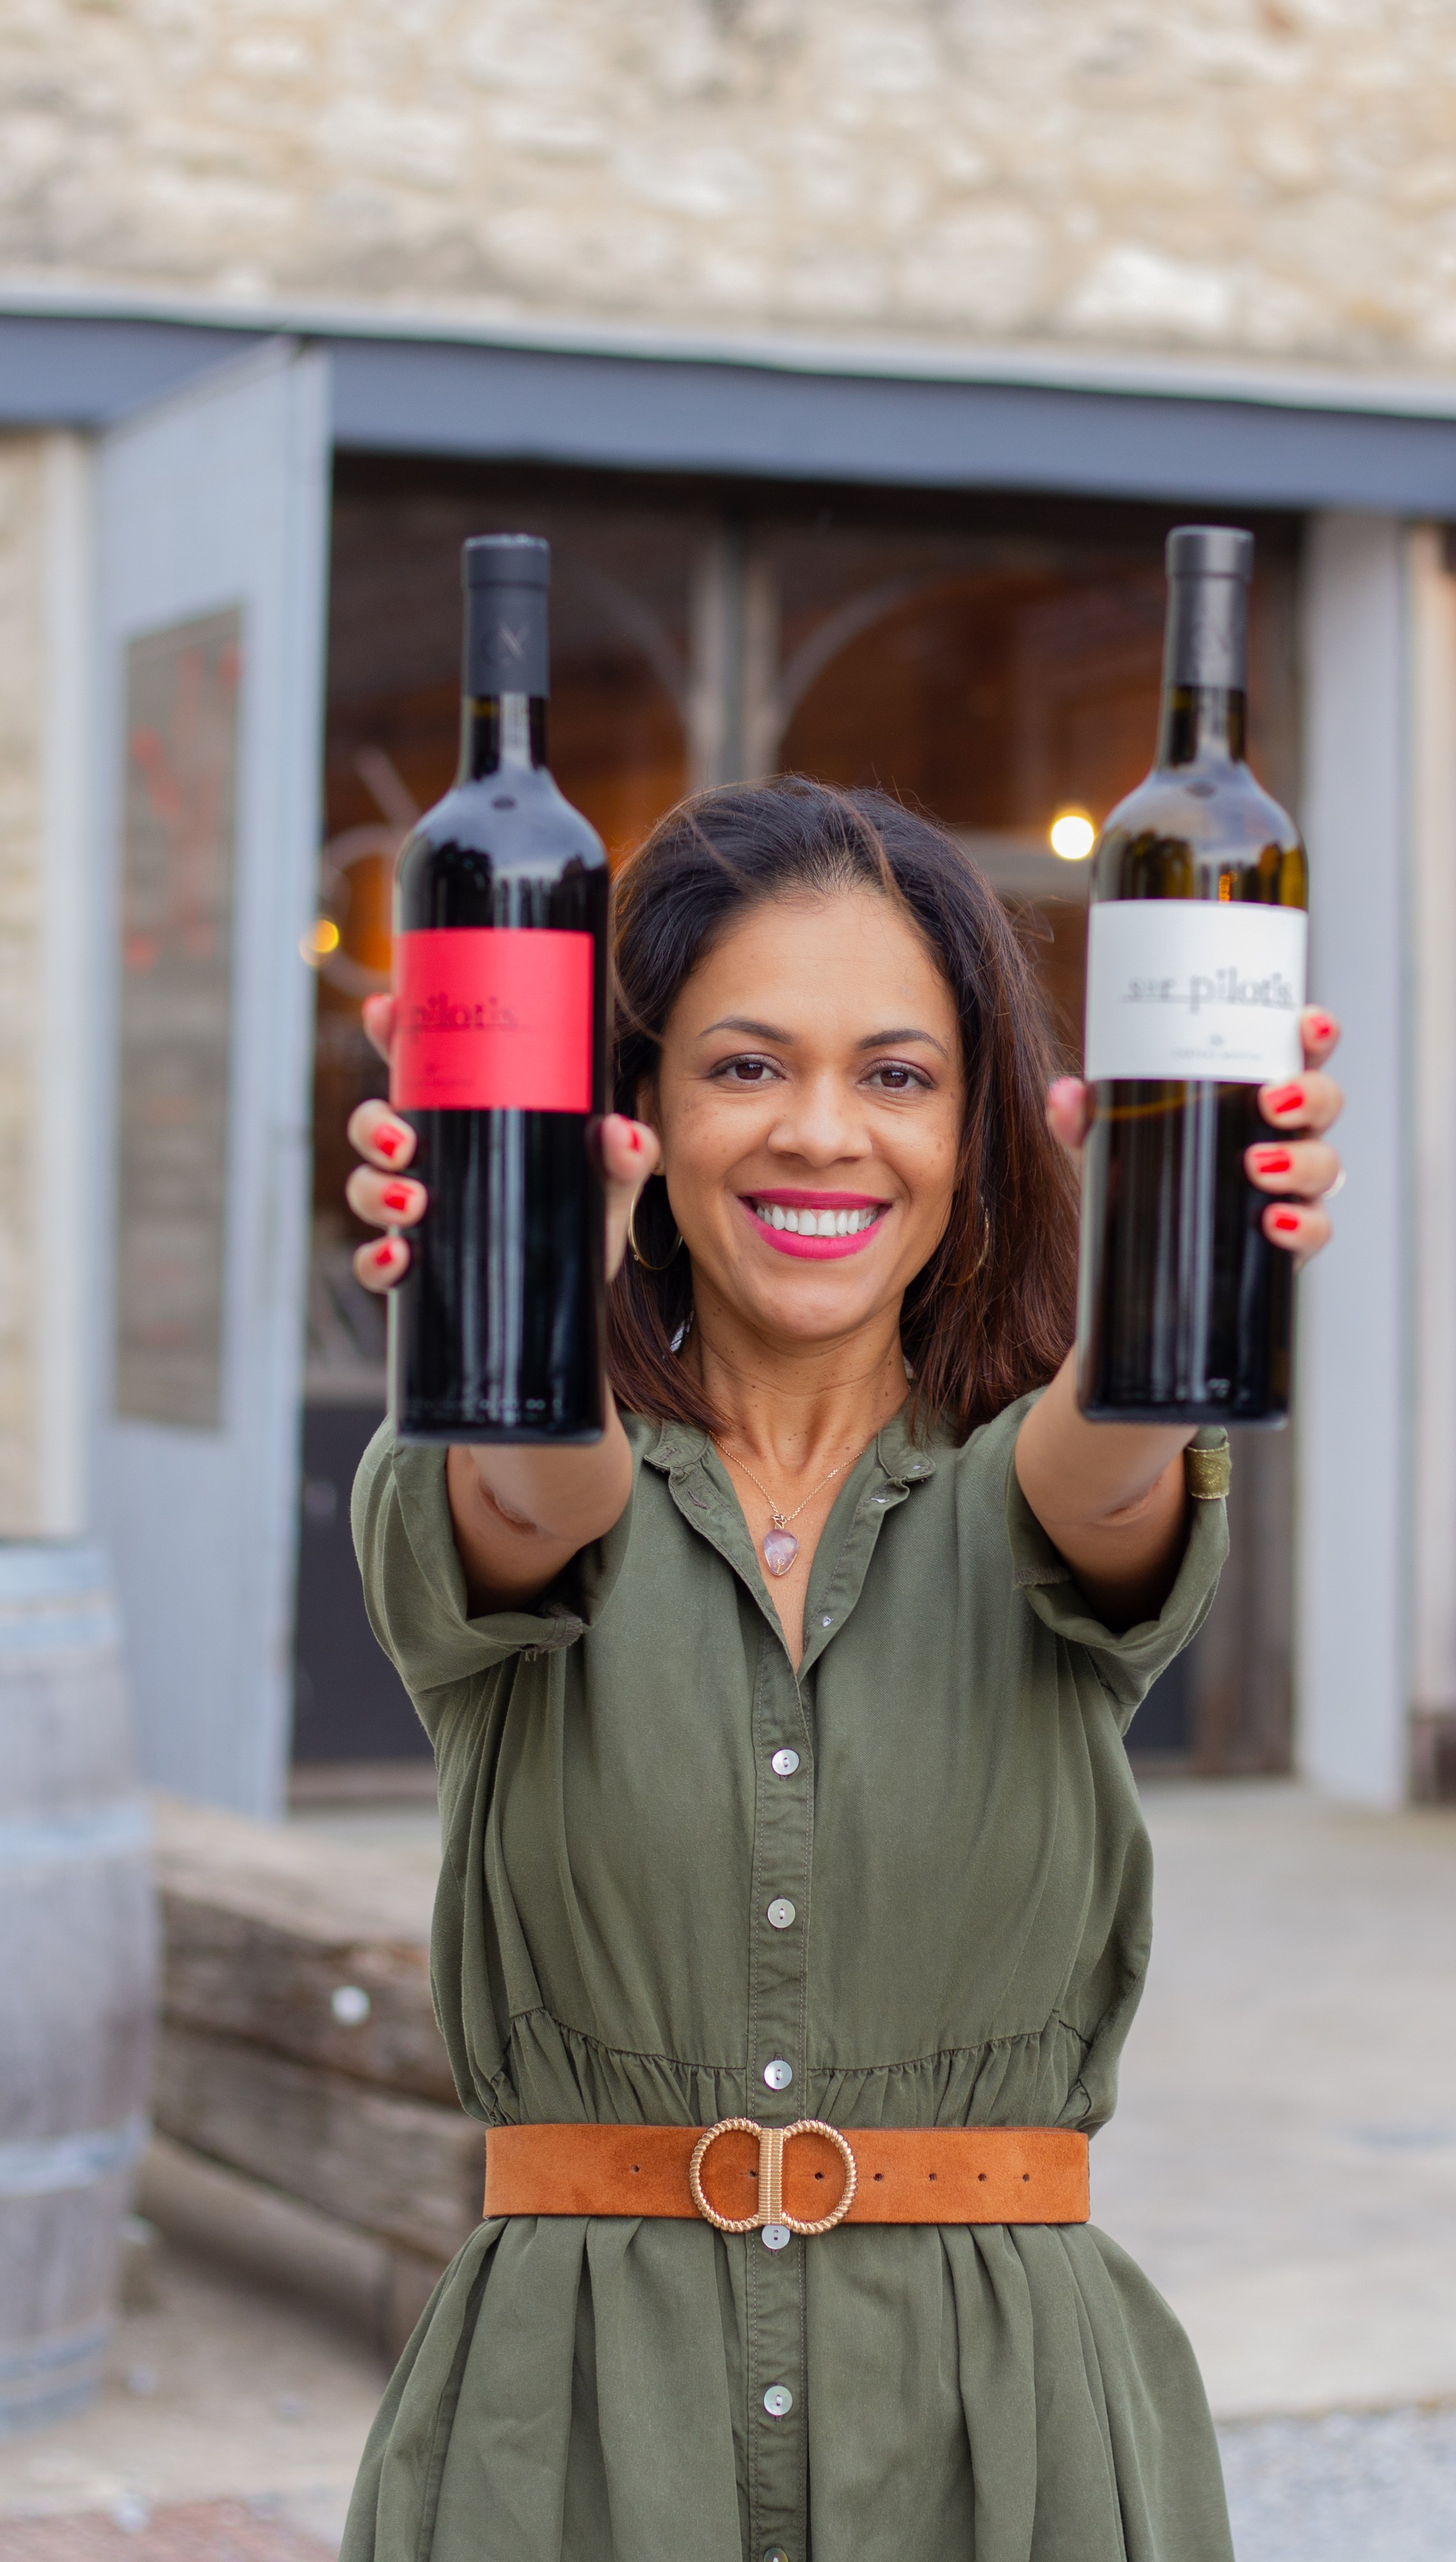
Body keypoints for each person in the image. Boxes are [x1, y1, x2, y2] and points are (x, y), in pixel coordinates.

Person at [341, 778, 1343, 2562]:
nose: (823, 1133)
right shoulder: (513, 1468)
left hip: (1003, 2449)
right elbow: (530, 1488)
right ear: (632, 1105)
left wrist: (1173, 1254)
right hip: (570, 2445)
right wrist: (515, 1281)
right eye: (743, 1067)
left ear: (978, 1134)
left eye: (896, 1075)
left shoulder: (1033, 1484)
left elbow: (1107, 1450)